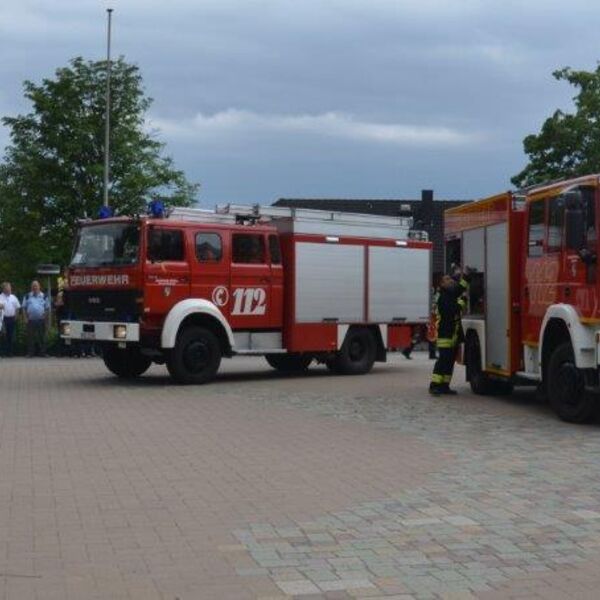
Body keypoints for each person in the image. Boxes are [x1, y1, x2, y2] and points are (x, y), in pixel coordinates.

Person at [429, 271, 468, 396]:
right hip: (445, 334)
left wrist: (466, 278)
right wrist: (462, 302)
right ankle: (434, 385)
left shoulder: (449, 293)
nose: (450, 280)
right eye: (447, 279)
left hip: (453, 334)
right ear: (441, 284)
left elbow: (458, 289)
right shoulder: (442, 297)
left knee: (450, 361)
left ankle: (445, 385)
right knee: (443, 360)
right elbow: (452, 310)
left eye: (450, 278)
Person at [22, 280, 50, 357]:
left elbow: (47, 308)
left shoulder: (44, 296)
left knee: (42, 337)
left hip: (41, 320)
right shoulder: (27, 296)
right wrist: (25, 318)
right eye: (33, 286)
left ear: (39, 287)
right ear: (31, 287)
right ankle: (30, 353)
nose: (35, 287)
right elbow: (24, 308)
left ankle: (43, 353)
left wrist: (45, 316)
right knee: (30, 338)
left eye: (36, 286)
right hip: (30, 320)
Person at [0, 282, 21, 357]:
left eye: (10, 288)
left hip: (12, 319)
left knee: (11, 336)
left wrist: (16, 316)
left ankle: (10, 352)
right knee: (3, 336)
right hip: (3, 319)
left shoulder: (13, 297)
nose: (9, 289)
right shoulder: (0, 297)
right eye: (7, 288)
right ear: (4, 289)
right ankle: (3, 353)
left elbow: (18, 307)